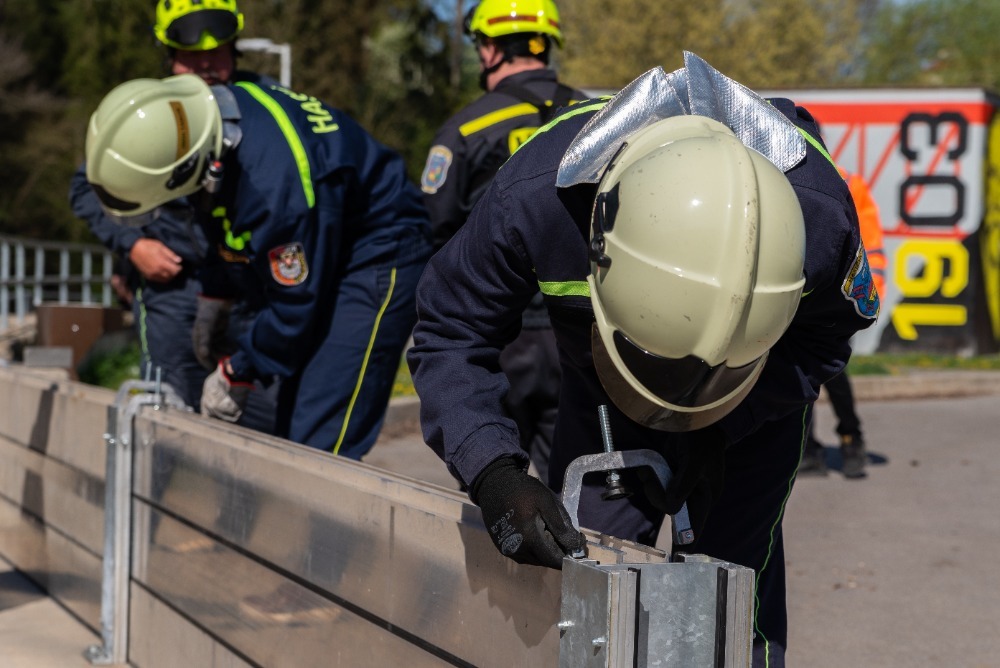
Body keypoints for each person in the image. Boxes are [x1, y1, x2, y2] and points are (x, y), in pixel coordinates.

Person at [406, 53, 878, 667]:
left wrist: (735, 422)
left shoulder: (818, 221)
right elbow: (449, 328)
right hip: (603, 391)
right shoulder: (538, 200)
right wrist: (493, 468)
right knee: (579, 580)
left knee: (739, 590)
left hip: (748, 397)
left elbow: (824, 338)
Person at [84, 73, 433, 461]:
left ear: (186, 169)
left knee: (320, 436)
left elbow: (295, 304)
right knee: (289, 420)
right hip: (324, 237)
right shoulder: (213, 124)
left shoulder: (275, 187)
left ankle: (314, 516)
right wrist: (216, 294)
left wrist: (237, 369)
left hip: (379, 252)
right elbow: (217, 220)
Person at [69, 0, 277, 432]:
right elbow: (87, 187)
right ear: (169, 56)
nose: (205, 64)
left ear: (235, 49)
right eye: (190, 56)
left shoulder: (265, 108)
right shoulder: (150, 113)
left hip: (251, 298)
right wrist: (133, 246)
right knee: (166, 421)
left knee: (254, 427)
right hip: (172, 291)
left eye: (217, 51)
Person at [420, 0, 585, 483]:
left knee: (496, 485)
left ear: (489, 49)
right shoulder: (600, 120)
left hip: (497, 338)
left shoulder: (466, 130)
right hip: (582, 334)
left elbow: (436, 226)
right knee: (579, 496)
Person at [800, 167, 887, 479]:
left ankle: (851, 439)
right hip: (804, 291)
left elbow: (871, 243)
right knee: (797, 370)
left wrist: (864, 299)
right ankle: (808, 448)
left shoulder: (847, 182)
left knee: (832, 370)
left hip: (839, 293)